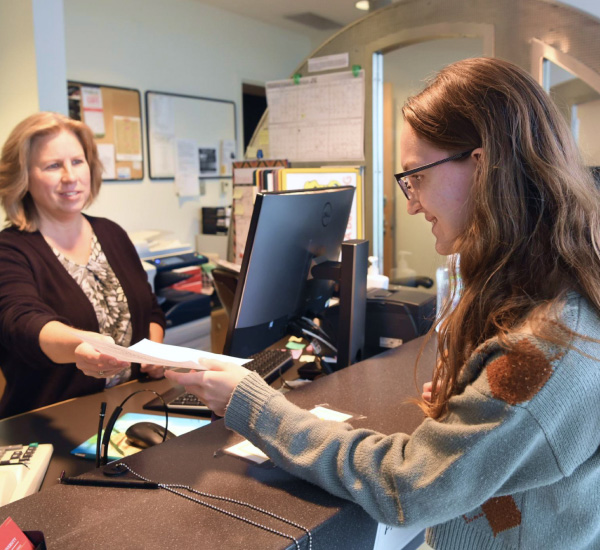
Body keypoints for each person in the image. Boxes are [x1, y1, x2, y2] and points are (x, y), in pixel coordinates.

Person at [166, 57, 600, 549]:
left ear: (483, 165)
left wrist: (254, 405)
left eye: (417, 176)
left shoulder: (547, 344)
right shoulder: (558, 288)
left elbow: (407, 485)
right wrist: (480, 401)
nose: (411, 203)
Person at [0, 112, 166, 418]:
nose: (70, 176)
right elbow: (22, 323)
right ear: (23, 177)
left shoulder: (111, 233)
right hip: (51, 422)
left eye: (77, 161)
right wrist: (81, 344)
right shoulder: (9, 249)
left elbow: (151, 310)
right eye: (53, 166)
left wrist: (153, 351)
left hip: (133, 409)